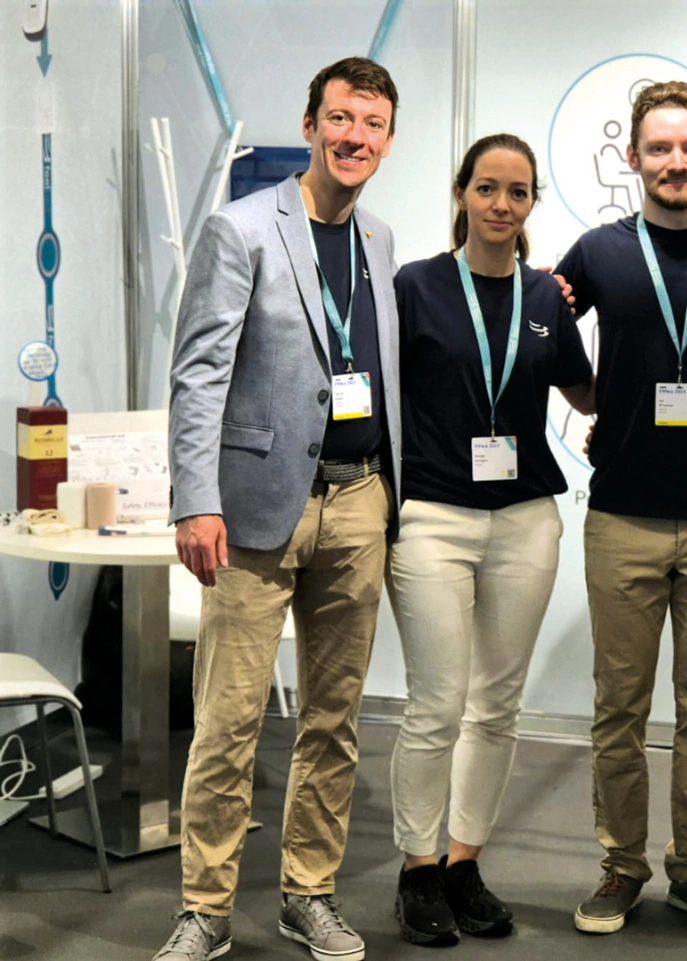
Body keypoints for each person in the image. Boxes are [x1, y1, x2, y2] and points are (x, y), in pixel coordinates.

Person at [160, 57, 402, 961]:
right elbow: (198, 373)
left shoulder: (380, 238)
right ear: (310, 126)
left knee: (333, 719)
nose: (354, 138)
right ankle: (205, 909)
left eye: (371, 124)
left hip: (359, 499)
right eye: (340, 119)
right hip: (257, 506)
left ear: (387, 140)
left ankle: (308, 893)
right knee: (229, 721)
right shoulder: (242, 228)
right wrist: (195, 498)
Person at [554, 80, 687, 936]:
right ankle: (621, 865)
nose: (675, 162)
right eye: (659, 148)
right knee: (620, 706)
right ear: (633, 157)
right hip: (624, 515)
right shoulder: (598, 253)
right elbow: (539, 325)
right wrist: (595, 400)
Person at [386, 133, 595, 947]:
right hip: (432, 516)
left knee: (497, 704)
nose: (501, 205)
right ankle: (417, 868)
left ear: (532, 201)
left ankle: (463, 862)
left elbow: (584, 390)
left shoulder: (546, 296)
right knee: (436, 701)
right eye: (487, 188)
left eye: (517, 192)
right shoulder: (415, 286)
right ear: (461, 193)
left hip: (524, 517)